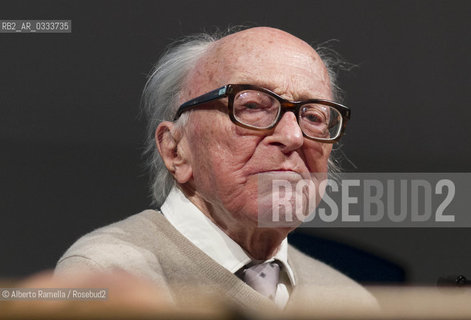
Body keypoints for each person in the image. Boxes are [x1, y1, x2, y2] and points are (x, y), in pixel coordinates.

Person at [55, 26, 377, 312]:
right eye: (251, 106)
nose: (293, 136)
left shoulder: (350, 302)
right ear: (176, 150)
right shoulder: (109, 274)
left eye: (313, 117)